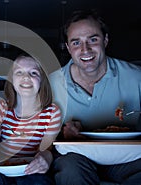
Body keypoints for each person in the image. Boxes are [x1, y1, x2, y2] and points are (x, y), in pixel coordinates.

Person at [49, 9, 141, 184]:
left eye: (93, 39)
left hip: (127, 159)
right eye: (76, 42)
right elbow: (37, 135)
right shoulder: (51, 84)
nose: (85, 50)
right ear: (68, 48)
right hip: (77, 160)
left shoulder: (137, 77)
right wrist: (61, 134)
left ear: (105, 41)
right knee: (69, 168)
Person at [0, 55, 62, 185]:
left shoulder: (52, 112)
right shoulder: (0, 109)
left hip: (31, 169)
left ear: (42, 80)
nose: (26, 77)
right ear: (11, 80)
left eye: (33, 73)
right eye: (19, 72)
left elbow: (46, 149)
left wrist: (45, 159)